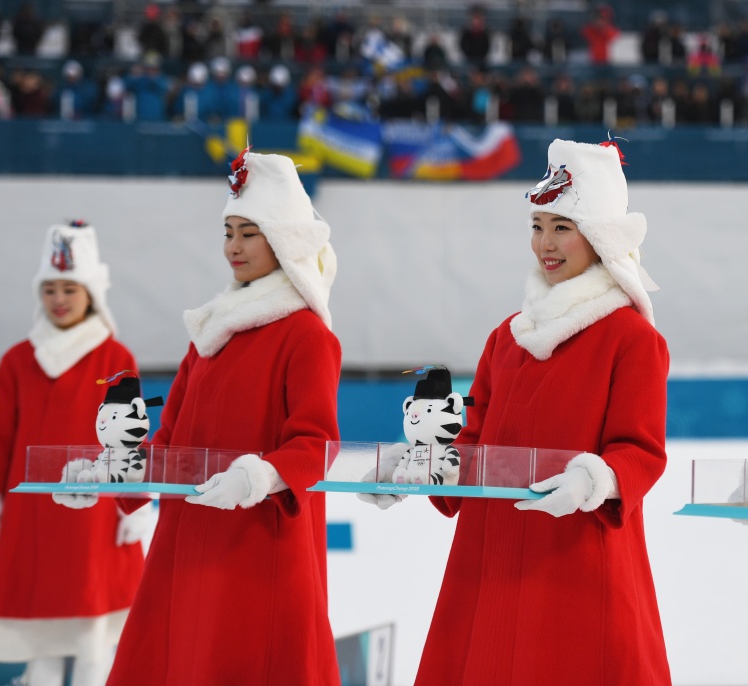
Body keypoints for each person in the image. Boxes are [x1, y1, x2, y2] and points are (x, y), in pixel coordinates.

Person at [396, 139, 671, 685]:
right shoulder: (508, 336)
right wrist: (428, 468)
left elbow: (641, 452)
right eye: (537, 225)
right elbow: (469, 442)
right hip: (489, 561)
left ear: (599, 236)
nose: (545, 243)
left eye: (561, 227)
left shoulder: (631, 338)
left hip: (577, 562)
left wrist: (595, 480)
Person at [97, 151, 342, 684]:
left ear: (286, 241)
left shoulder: (307, 336)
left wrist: (259, 476)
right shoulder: (209, 334)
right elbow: (165, 445)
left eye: (249, 232)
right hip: (187, 547)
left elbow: (317, 443)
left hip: (259, 550)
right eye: (228, 230)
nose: (232, 246)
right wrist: (113, 475)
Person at [0, 221, 150, 686]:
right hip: (31, 517)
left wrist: (135, 502)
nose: (59, 298)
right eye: (49, 288)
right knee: (44, 635)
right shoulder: (18, 360)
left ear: (90, 293)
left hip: (95, 522)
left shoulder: (114, 358)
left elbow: (131, 438)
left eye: (69, 287)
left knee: (94, 633)